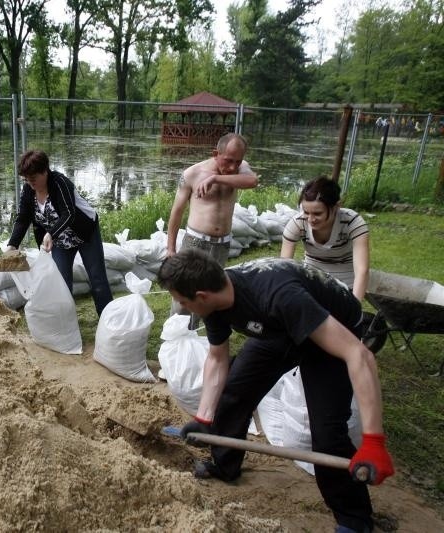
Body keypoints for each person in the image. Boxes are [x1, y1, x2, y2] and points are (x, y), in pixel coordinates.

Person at [158, 248, 394, 533]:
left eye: (184, 302)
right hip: (278, 328)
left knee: (327, 432)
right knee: (234, 391)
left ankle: (354, 520)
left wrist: (374, 442)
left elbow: (360, 356)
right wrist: (205, 418)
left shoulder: (278, 295)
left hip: (330, 326)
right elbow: (217, 359)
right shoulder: (215, 301)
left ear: (202, 296)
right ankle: (224, 464)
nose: (183, 307)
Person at [165, 132, 259, 325]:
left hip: (222, 244)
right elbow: (176, 213)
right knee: (184, 292)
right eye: (228, 160)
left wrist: (216, 179)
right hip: (195, 242)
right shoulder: (192, 174)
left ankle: (200, 338)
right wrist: (171, 248)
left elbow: (253, 181)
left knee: (210, 293)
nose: (233, 167)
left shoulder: (241, 169)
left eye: (238, 162)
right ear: (216, 153)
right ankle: (175, 338)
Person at [7, 149, 113, 316]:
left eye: (33, 178)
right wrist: (12, 244)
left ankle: (108, 319)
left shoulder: (59, 183)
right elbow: (23, 218)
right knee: (61, 283)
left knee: (97, 278)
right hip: (60, 240)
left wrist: (50, 234)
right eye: (26, 179)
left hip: (85, 233)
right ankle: (66, 322)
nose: (30, 183)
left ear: (44, 171)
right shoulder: (28, 190)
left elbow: (68, 213)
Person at [281, 176, 370, 301]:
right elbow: (284, 267)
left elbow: (362, 270)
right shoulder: (297, 223)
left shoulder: (353, 222)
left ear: (336, 207)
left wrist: (354, 308)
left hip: (346, 284)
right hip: (312, 280)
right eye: (306, 212)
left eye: (317, 213)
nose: (310, 219)